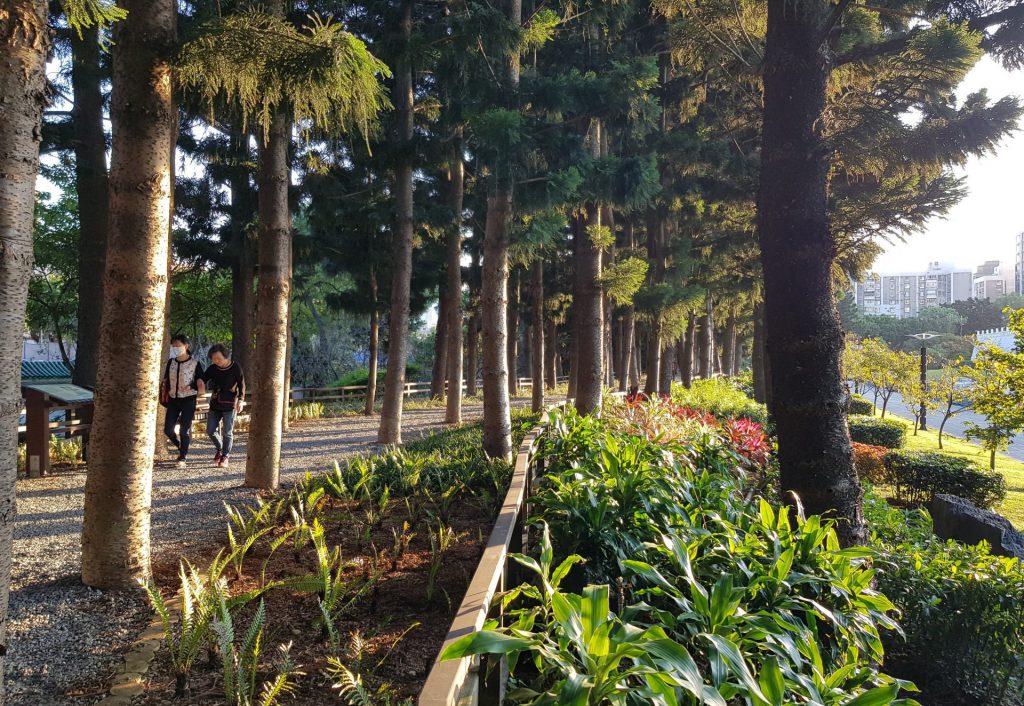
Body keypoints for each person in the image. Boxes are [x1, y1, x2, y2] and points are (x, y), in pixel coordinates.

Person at [160, 334, 205, 468]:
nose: (175, 348)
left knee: (184, 430)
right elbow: (166, 379)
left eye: (178, 346)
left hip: (188, 399)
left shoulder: (194, 363)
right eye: (173, 346)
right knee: (168, 430)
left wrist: (196, 385)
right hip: (173, 399)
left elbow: (201, 380)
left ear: (186, 346)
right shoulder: (171, 362)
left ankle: (182, 457)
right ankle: (181, 446)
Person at [203, 343, 246, 468]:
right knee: (210, 430)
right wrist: (198, 383)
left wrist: (241, 400)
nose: (216, 361)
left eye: (219, 358)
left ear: (225, 356)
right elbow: (202, 379)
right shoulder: (212, 368)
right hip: (215, 403)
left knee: (228, 432)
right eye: (214, 359)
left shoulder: (235, 367)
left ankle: (225, 456)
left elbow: (241, 384)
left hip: (230, 404)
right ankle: (220, 448)